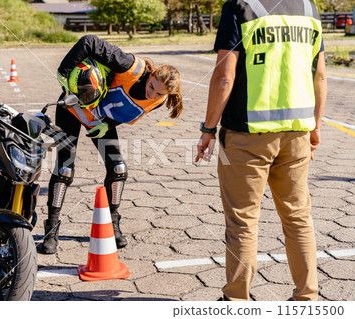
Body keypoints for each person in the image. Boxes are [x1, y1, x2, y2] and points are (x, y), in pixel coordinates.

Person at [195, 0, 327, 301]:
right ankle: (307, 298)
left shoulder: (240, 7)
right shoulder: (309, 8)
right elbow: (319, 75)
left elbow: (224, 77)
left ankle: (237, 300)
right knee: (298, 218)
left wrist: (208, 129)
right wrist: (316, 126)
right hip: (296, 133)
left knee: (242, 221)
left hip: (247, 133)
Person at [40, 35, 183, 254]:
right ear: (151, 75)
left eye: (159, 93)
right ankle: (51, 230)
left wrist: (106, 125)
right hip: (73, 104)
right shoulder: (129, 66)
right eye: (152, 86)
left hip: (98, 119)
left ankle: (112, 225)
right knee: (64, 167)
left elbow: (123, 110)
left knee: (118, 169)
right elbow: (89, 41)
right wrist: (64, 71)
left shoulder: (157, 100)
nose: (152, 93)